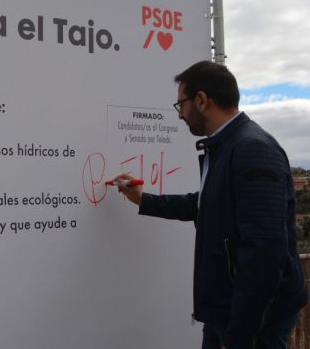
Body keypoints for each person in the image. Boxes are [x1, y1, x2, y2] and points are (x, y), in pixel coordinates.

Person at [113, 60, 307, 349]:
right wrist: (144, 199)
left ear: (202, 100)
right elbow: (206, 205)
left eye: (181, 105)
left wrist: (240, 335)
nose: (180, 115)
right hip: (227, 312)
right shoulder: (225, 147)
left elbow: (264, 252)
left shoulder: (252, 149)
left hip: (254, 321)